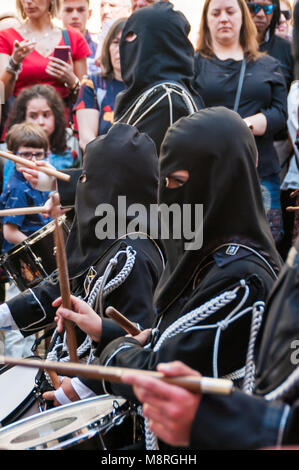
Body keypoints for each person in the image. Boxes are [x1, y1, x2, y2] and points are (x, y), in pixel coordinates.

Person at [53, 108, 281, 451]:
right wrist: (105, 329)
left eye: (177, 183)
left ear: (218, 180)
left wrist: (113, 354)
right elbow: (174, 340)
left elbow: (163, 368)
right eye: (164, 183)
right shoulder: (211, 256)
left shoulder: (242, 279)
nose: (167, 196)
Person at [0, 123, 165, 410]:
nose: (80, 189)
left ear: (107, 189)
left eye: (85, 178)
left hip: (108, 404)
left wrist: (80, 387)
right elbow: (61, 287)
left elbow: (139, 340)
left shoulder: (132, 256)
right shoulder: (108, 237)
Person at [121, 232, 299, 450]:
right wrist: (107, 332)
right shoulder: (211, 264)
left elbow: (176, 358)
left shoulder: (239, 274)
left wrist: (210, 419)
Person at [194, 0, 287, 246]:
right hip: (209, 175)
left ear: (242, 17)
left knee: (265, 251)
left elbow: (280, 113)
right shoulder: (194, 66)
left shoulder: (268, 65)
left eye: (230, 11)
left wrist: (249, 123)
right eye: (216, 13)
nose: (223, 18)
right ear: (207, 20)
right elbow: (188, 115)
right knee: (212, 252)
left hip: (260, 174)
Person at [113, 1, 203, 154]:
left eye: (133, 35)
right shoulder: (148, 95)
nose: (126, 44)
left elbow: (148, 171)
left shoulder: (168, 100)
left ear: (158, 42)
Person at [0, 122, 52, 358]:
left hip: (37, 266)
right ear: (12, 156)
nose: (32, 159)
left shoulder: (39, 182)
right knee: (16, 322)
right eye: (26, 154)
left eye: (38, 154)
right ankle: (16, 369)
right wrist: (38, 252)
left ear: (47, 154)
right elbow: (9, 232)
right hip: (24, 267)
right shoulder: (18, 189)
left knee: (33, 320)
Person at [0, 0, 91, 125]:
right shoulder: (7, 37)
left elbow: (86, 101)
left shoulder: (73, 38)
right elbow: (2, 96)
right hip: (21, 129)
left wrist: (71, 80)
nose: (28, 2)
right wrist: (13, 63)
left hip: (60, 129)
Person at [2, 84, 79, 189]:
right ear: (22, 118)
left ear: (56, 117)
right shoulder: (15, 157)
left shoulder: (69, 155)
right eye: (33, 116)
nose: (40, 122)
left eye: (46, 115)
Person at [75, 18, 125, 152]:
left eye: (126, 43)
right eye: (115, 42)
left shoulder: (148, 86)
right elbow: (86, 140)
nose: (120, 49)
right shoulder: (92, 85)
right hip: (101, 164)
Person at [246, 0, 294, 90]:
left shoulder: (288, 49)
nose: (261, 14)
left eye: (268, 8)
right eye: (254, 7)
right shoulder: (227, 46)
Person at [60, 0, 99, 75]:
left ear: (89, 13)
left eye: (81, 10)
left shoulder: (100, 50)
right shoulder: (50, 47)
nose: (75, 16)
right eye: (69, 10)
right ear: (60, 13)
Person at [94, 0, 131, 67]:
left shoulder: (137, 35)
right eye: (102, 6)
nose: (105, 11)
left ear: (129, 10)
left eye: (112, 6)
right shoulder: (94, 38)